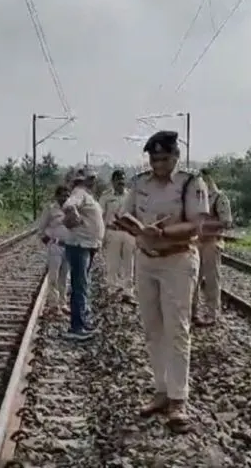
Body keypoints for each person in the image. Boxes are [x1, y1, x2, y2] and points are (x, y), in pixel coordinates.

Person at [120, 130, 212, 432]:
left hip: (177, 259)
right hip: (146, 260)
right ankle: (160, 390)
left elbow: (197, 224)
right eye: (153, 158)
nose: (158, 163)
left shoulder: (190, 182)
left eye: (164, 158)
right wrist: (132, 226)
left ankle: (178, 399)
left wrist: (164, 233)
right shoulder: (139, 183)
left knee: (177, 329)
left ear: (175, 157)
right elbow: (126, 213)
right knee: (152, 329)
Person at [61, 171, 105, 340]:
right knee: (80, 286)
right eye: (90, 178)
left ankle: (82, 322)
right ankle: (76, 327)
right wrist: (76, 217)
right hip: (80, 245)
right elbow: (69, 205)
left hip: (86, 245)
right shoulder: (79, 193)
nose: (93, 181)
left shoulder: (86, 195)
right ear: (82, 180)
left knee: (83, 285)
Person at [191, 167, 232, 326]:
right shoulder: (197, 198)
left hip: (211, 242)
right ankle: (192, 311)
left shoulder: (219, 197)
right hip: (197, 242)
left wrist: (205, 224)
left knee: (211, 280)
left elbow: (226, 222)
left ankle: (212, 313)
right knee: (193, 279)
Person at [100, 169, 136, 304]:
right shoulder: (106, 197)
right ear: (113, 181)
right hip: (113, 232)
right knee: (113, 263)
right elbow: (101, 216)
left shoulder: (130, 196)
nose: (121, 182)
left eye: (123, 179)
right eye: (118, 179)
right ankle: (112, 289)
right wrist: (101, 236)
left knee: (129, 263)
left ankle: (128, 292)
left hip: (128, 233)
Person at [37, 185, 70, 315]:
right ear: (57, 196)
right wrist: (49, 242)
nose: (65, 198)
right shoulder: (50, 209)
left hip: (68, 246)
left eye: (67, 195)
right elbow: (41, 229)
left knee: (65, 276)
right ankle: (53, 304)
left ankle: (63, 303)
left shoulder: (72, 209)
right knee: (54, 276)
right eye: (62, 195)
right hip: (55, 246)